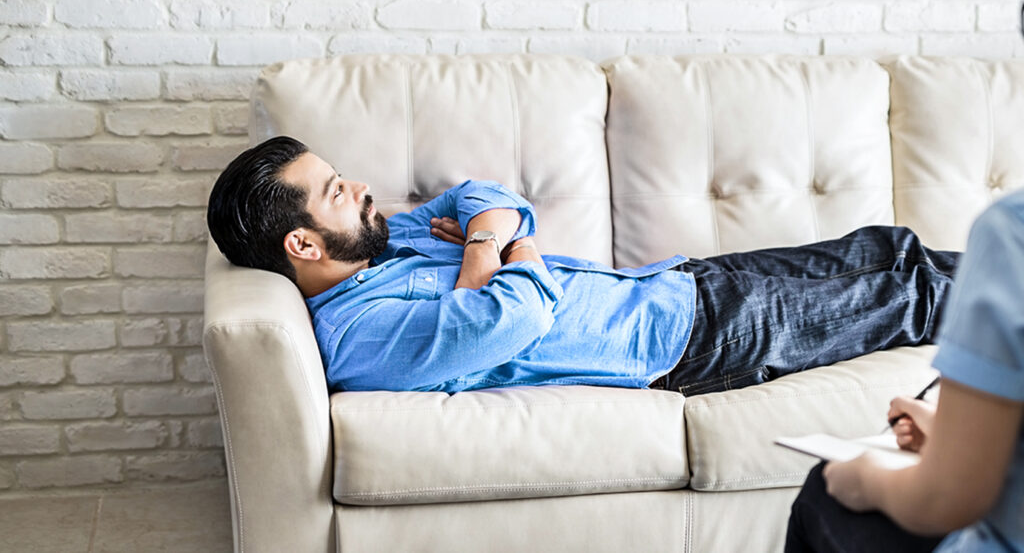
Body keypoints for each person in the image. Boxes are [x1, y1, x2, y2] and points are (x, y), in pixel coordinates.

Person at [206, 135, 959, 395]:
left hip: (681, 283)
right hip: (695, 342)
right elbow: (519, 313)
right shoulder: (358, 333)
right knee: (915, 298)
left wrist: (486, 247)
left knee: (891, 252)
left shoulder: (381, 246)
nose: (363, 187)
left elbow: (486, 195)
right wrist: (501, 247)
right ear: (301, 246)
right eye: (338, 192)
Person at [784, 189, 1024, 553]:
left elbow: (947, 498)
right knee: (893, 252)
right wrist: (957, 439)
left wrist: (864, 480)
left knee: (824, 487)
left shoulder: (1011, 229)